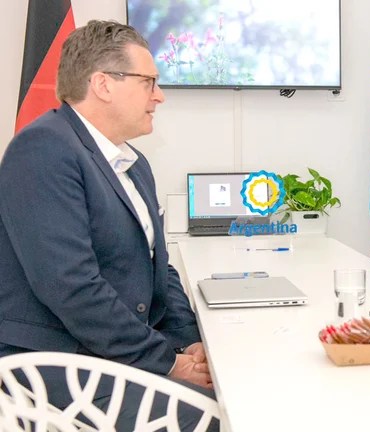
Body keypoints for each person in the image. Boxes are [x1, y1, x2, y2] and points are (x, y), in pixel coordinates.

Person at [0, 20, 216, 429]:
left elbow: (159, 269)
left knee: (233, 389)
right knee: (224, 416)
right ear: (103, 84)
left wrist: (191, 342)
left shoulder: (134, 164)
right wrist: (168, 363)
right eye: (148, 82)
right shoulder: (43, 149)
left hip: (115, 352)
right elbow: (71, 286)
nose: (160, 96)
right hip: (59, 366)